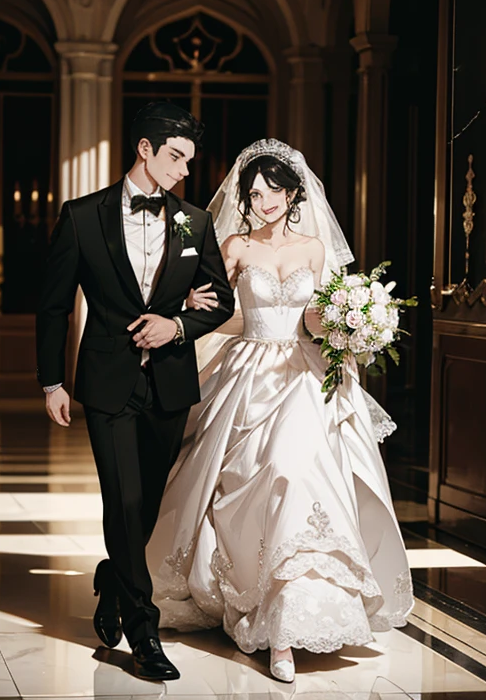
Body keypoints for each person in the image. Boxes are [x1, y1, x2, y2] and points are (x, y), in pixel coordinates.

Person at [147, 139, 414, 683]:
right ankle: (255, 605)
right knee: (245, 480)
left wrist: (350, 323)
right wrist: (186, 317)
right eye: (254, 191)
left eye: (272, 191)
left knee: (298, 474)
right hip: (249, 371)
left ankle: (290, 623)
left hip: (304, 377)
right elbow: (223, 314)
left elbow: (315, 316)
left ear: (293, 194)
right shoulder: (235, 247)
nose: (262, 199)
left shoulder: (315, 248)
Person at [36, 102, 235, 681]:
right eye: (176, 157)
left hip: (171, 382)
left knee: (145, 506)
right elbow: (52, 306)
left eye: (190, 161)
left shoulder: (195, 222)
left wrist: (176, 324)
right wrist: (52, 380)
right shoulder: (81, 216)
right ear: (145, 150)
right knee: (122, 501)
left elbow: (219, 298)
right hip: (106, 382)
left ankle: (111, 576)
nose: (185, 171)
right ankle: (143, 632)